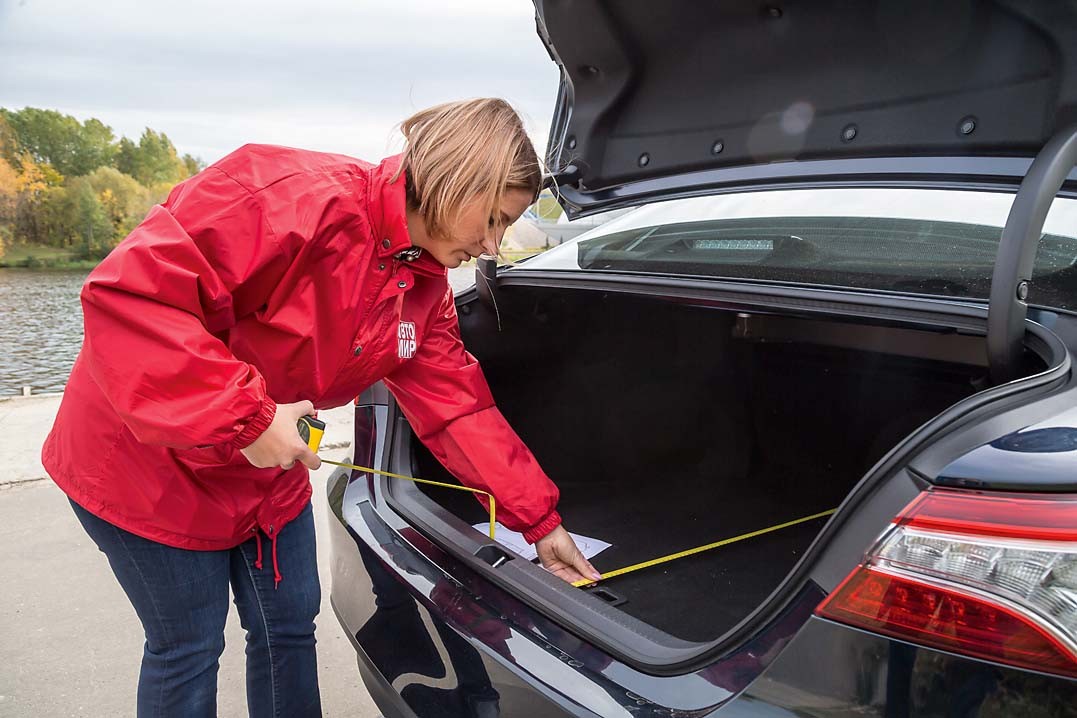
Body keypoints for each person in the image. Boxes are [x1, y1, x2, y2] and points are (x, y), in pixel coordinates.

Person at [42, 97, 602, 718]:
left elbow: (458, 410)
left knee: (287, 628)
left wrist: (539, 521)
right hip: (149, 467)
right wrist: (249, 417)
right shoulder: (286, 197)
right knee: (189, 647)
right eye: (493, 219)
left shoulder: (423, 289)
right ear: (456, 180)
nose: (493, 246)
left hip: (267, 473)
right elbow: (131, 301)